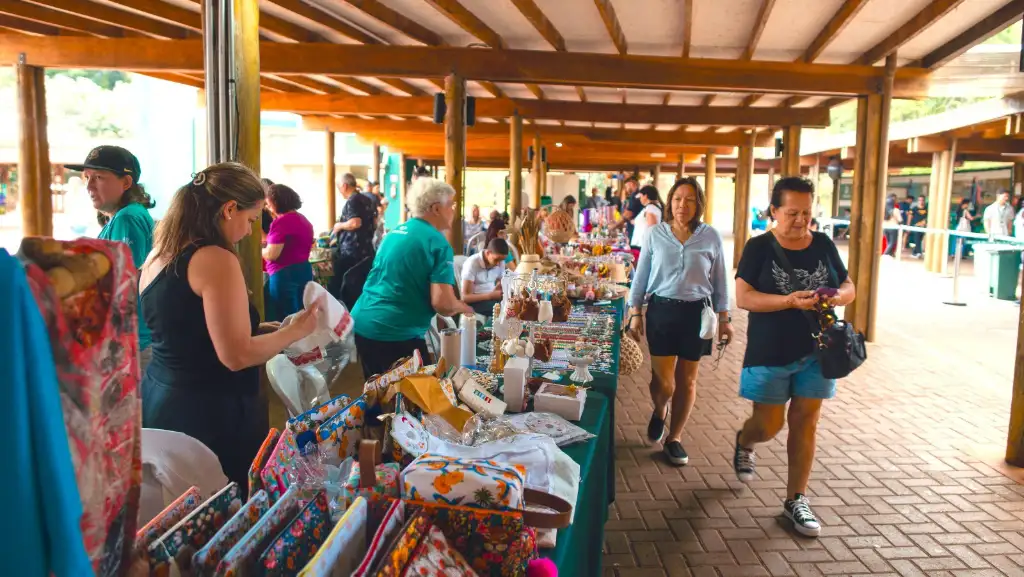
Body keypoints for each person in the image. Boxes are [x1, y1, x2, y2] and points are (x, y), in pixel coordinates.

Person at [139, 163, 321, 492]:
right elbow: (236, 355)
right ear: (228, 209)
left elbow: (190, 329)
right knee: (225, 511)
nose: (251, 231)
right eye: (251, 219)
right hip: (209, 411)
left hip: (162, 397)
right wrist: (295, 332)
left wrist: (267, 328)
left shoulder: (159, 254)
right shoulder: (215, 259)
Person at [733, 176, 856, 538]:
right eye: (792, 212)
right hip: (769, 350)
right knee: (768, 426)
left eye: (806, 212)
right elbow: (744, 298)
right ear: (774, 211)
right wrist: (789, 300)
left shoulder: (822, 243)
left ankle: (795, 500)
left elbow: (849, 286)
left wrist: (836, 297)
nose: (801, 219)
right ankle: (745, 441)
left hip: (817, 350)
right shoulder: (758, 247)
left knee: (806, 422)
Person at [628, 177, 730, 466]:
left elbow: (720, 279)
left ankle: (674, 437)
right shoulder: (655, 234)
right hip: (662, 310)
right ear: (669, 202)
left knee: (687, 380)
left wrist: (726, 318)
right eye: (677, 199)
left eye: (689, 199)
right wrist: (636, 312)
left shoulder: (710, 236)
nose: (682, 204)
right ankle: (660, 410)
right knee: (663, 382)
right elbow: (642, 275)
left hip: (698, 315)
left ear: (698, 204)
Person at [351, 177, 473, 379]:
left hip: (364, 323)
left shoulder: (395, 232)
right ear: (436, 209)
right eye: (450, 205)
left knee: (376, 395)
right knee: (412, 403)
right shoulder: (437, 242)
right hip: (395, 332)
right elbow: (442, 304)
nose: (453, 211)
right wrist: (463, 307)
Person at [67, 145, 156, 370]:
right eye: (86, 177)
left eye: (99, 177)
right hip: (134, 338)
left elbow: (126, 281)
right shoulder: (124, 216)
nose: (88, 185)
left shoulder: (127, 217)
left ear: (126, 183)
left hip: (136, 339)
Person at [263, 184, 315, 320]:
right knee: (302, 315)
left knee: (285, 318)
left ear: (277, 202)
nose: (267, 208)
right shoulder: (304, 220)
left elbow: (272, 254)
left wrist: (259, 250)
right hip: (304, 270)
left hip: (284, 274)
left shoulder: (281, 222)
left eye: (268, 204)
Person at [328, 174, 376, 310]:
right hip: (366, 250)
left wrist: (339, 226)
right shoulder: (366, 199)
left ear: (344, 186)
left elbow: (355, 222)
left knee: (342, 287)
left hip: (352, 251)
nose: (339, 190)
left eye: (338, 187)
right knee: (358, 286)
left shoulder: (352, 201)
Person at [461, 238, 510, 316]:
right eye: (496, 260)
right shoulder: (472, 264)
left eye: (502, 260)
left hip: (492, 299)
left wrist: (501, 286)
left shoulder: (500, 261)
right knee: (505, 310)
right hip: (475, 303)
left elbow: (500, 281)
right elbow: (465, 297)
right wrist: (490, 296)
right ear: (488, 253)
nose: (498, 264)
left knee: (516, 305)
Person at [630, 185, 663, 252]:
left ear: (645, 196)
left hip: (642, 247)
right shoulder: (649, 208)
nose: (640, 199)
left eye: (641, 196)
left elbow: (652, 228)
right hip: (640, 246)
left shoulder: (651, 208)